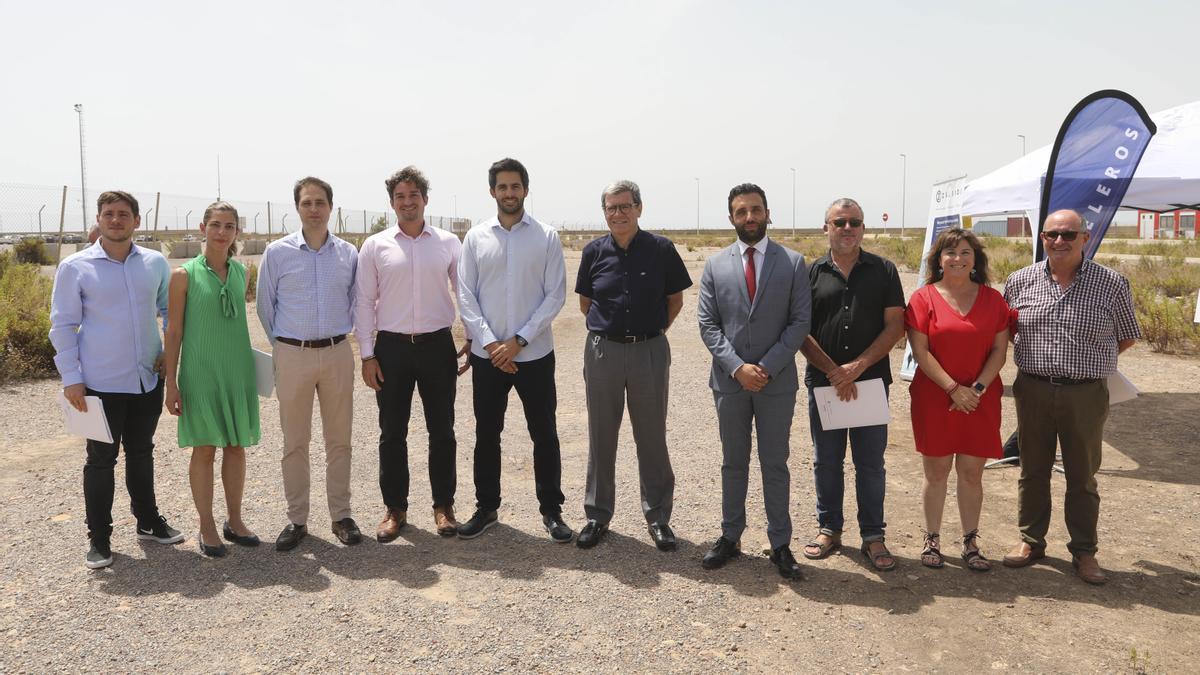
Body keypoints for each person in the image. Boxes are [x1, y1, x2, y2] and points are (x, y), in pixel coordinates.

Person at [1001, 209, 1141, 585]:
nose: (1059, 241)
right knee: (1032, 470)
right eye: (1052, 234)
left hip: (1085, 394)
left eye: (1068, 234)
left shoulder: (1111, 283)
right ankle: (1031, 541)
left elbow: (1126, 335)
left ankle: (1084, 551)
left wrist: (1088, 362)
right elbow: (1010, 332)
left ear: (1085, 237)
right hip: (1032, 388)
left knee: (1082, 475)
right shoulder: (1020, 280)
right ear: (1041, 238)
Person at [49, 190, 184, 569]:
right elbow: (62, 325)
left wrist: (166, 353)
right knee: (101, 460)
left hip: (145, 380)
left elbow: (167, 309)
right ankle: (100, 538)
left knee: (142, 452)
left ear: (136, 221)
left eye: (124, 214)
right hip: (98, 383)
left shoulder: (155, 263)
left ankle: (148, 521)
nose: (116, 219)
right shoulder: (76, 267)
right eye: (109, 213)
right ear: (99, 219)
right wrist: (71, 378)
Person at [696, 183, 811, 579]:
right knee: (733, 462)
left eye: (756, 210)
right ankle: (731, 536)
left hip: (775, 383)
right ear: (731, 217)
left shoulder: (793, 262)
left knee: (774, 463)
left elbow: (800, 322)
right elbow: (708, 325)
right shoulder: (714, 265)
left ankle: (780, 543)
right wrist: (737, 368)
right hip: (730, 383)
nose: (750, 218)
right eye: (741, 211)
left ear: (767, 213)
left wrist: (766, 367)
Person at [456, 157, 572, 542]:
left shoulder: (546, 236)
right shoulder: (475, 238)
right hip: (489, 358)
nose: (509, 193)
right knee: (487, 433)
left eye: (515, 186)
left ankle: (551, 511)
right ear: (492, 192)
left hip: (534, 355)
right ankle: (486, 508)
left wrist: (518, 340)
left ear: (525, 189)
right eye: (502, 187)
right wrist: (491, 344)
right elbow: (466, 295)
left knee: (545, 433)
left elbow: (555, 294)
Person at [574, 180, 692, 551]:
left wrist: (651, 334)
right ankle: (597, 515)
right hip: (603, 353)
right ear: (604, 212)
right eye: (611, 208)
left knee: (652, 436)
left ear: (639, 208)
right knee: (600, 435)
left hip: (649, 351)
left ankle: (658, 517)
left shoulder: (661, 250)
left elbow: (675, 300)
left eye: (625, 206)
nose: (618, 214)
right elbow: (585, 304)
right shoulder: (593, 252)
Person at [355, 167, 471, 542]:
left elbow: (463, 292)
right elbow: (363, 302)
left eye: (414, 195)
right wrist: (367, 355)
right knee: (392, 433)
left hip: (437, 346)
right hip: (391, 349)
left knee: (443, 431)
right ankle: (395, 509)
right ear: (392, 203)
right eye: (400, 197)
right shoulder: (375, 246)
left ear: (425, 199)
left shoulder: (449, 243)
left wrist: (470, 335)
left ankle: (443, 506)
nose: (407, 202)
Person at [799, 197, 905, 572]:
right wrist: (834, 371)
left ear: (863, 227)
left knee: (870, 464)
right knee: (826, 460)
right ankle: (829, 528)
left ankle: (873, 535)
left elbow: (896, 325)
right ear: (825, 227)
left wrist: (856, 367)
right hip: (825, 385)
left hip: (871, 384)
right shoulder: (809, 273)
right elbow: (799, 329)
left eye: (854, 223)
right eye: (839, 222)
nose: (847, 229)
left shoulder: (885, 270)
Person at [256, 177, 361, 551]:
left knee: (340, 440)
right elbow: (265, 308)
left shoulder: (349, 254)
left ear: (331, 207)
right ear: (297, 208)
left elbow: (356, 302)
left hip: (336, 354)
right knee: (295, 441)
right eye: (306, 203)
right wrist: (285, 346)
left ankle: (341, 515)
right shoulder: (277, 253)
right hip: (292, 355)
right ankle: (297, 519)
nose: (313, 209)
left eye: (320, 202)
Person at [905, 228, 1011, 572]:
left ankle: (970, 542)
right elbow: (920, 351)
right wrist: (954, 388)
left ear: (975, 259)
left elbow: (999, 350)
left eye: (966, 252)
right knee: (935, 472)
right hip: (935, 398)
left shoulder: (994, 300)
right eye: (950, 253)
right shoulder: (923, 298)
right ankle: (931, 539)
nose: (958, 259)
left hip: (980, 401)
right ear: (938, 259)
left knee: (971, 473)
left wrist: (975, 390)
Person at [162, 201, 261, 558]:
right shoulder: (182, 276)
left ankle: (234, 521)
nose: (221, 232)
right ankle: (206, 524)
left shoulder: (241, 273)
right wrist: (171, 383)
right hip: (200, 374)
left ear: (237, 232)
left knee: (236, 445)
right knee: (204, 448)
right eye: (215, 225)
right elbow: (172, 333)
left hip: (237, 373)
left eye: (229, 226)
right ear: (203, 228)